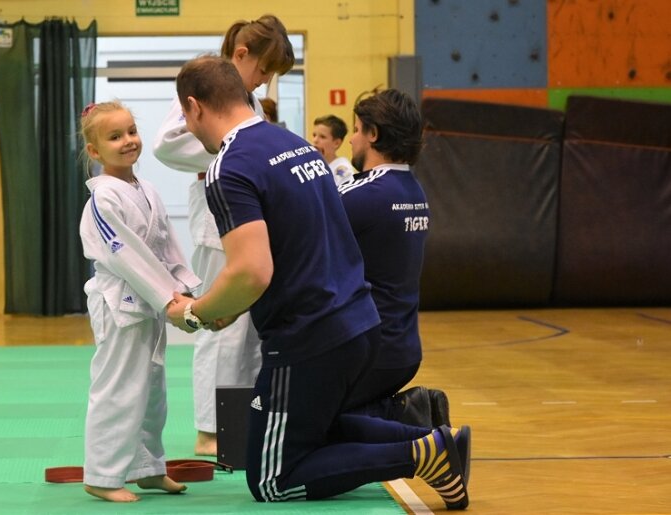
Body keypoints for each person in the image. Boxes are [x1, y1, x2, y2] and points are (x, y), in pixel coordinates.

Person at [167, 55, 471, 509]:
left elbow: (252, 270)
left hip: (308, 337)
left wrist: (194, 313)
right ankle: (425, 438)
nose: (189, 130)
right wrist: (230, 304)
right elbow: (296, 246)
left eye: (185, 119)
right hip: (358, 321)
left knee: (271, 479)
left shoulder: (229, 167)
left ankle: (422, 453)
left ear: (193, 107)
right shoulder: (296, 146)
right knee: (316, 428)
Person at [153, 14, 295, 457]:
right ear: (240, 55)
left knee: (248, 334)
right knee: (221, 329)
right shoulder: (208, 88)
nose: (266, 79)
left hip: (244, 215)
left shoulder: (246, 100)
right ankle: (210, 432)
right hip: (218, 220)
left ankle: (235, 428)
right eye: (265, 69)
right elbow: (165, 145)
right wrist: (225, 150)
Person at [78, 101, 200, 502]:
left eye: (131, 131)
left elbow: (166, 247)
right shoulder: (102, 199)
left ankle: (147, 468)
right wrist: (168, 299)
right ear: (95, 151)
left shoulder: (146, 190)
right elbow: (125, 255)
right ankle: (102, 474)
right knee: (119, 387)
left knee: (151, 389)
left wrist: (184, 288)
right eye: (115, 137)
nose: (128, 141)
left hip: (148, 299)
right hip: (119, 302)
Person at [337, 89, 449, 427]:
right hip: (404, 348)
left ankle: (404, 417)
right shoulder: (414, 190)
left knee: (298, 424)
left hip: (368, 353)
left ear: (373, 134)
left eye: (356, 130)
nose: (351, 141)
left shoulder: (362, 195)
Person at [311, 114, 356, 186]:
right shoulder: (313, 165)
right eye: (314, 135)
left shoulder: (343, 170)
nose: (315, 140)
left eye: (322, 137)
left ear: (336, 143)